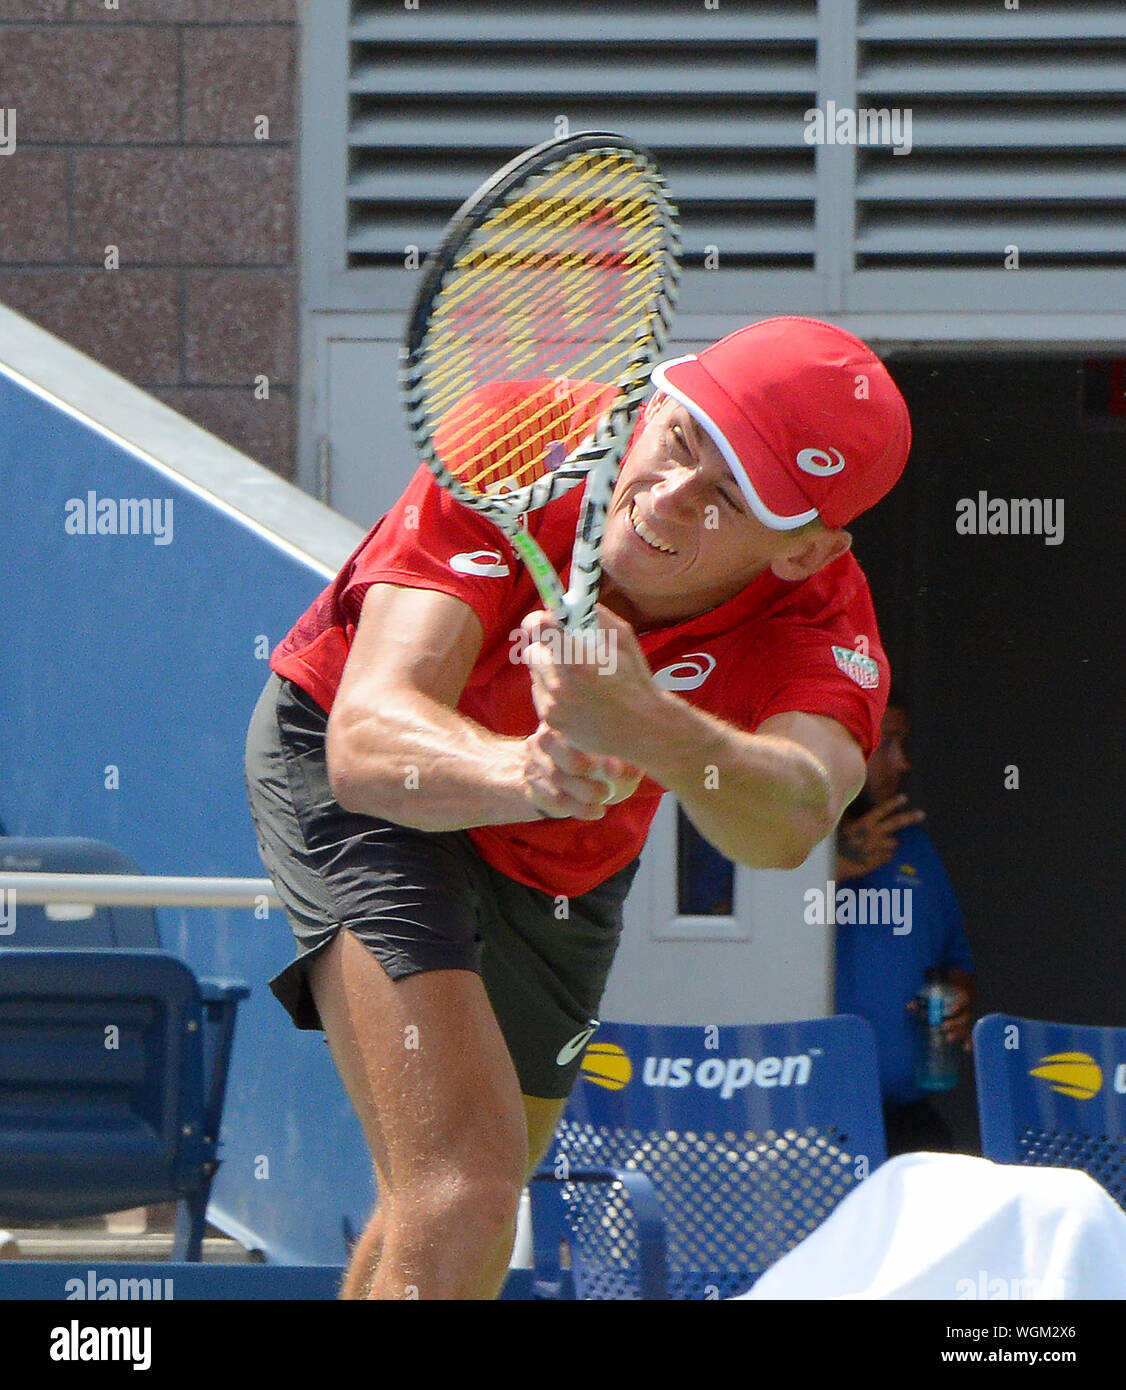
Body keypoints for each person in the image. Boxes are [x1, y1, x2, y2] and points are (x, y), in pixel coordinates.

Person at [243, 316, 913, 1299]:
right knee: (464, 1185)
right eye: (679, 438)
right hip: (367, 774)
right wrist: (528, 772)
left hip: (565, 858)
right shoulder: (521, 440)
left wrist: (650, 726)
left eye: (728, 500)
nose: (668, 499)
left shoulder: (823, 619)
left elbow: (793, 815)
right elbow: (368, 741)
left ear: (805, 553)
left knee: (458, 1184)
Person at [833, 690, 976, 1156]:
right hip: (804, 1114)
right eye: (887, 744)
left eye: (903, 744)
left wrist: (958, 999)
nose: (902, 763)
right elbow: (720, 951)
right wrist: (828, 865)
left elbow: (955, 959)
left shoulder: (914, 848)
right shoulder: (770, 843)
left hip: (907, 1118)